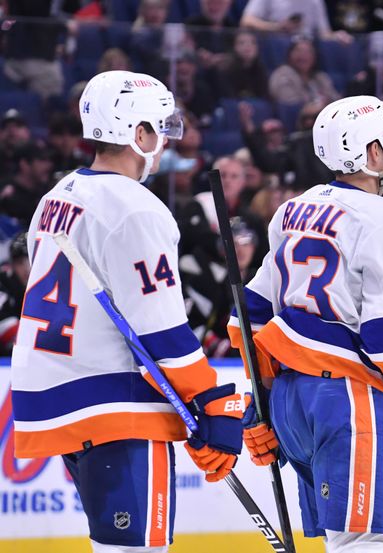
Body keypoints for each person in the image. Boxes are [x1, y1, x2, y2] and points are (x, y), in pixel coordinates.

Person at [11, 70, 245, 553]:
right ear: (137, 133)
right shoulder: (136, 208)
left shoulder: (56, 197)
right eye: (158, 128)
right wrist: (212, 400)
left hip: (61, 395)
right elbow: (160, 329)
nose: (163, 142)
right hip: (116, 403)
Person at [226, 95, 383, 552]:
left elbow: (247, 315)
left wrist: (262, 396)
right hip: (348, 395)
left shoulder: (292, 210)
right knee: (360, 540)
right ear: (368, 153)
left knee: (341, 538)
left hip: (292, 398)